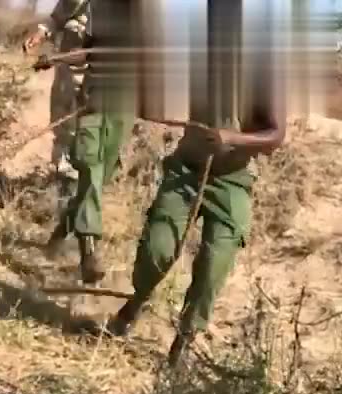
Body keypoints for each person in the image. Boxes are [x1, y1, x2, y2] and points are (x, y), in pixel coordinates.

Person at [99, 34, 286, 369]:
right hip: (186, 170)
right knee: (157, 250)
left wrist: (231, 138)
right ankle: (135, 302)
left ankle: (183, 345)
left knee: (214, 265)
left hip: (232, 180)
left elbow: (275, 135)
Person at [23, 0, 136, 286]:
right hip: (84, 96)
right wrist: (53, 55)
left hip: (121, 106)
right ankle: (89, 252)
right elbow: (81, 45)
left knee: (97, 177)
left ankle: (60, 236)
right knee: (86, 166)